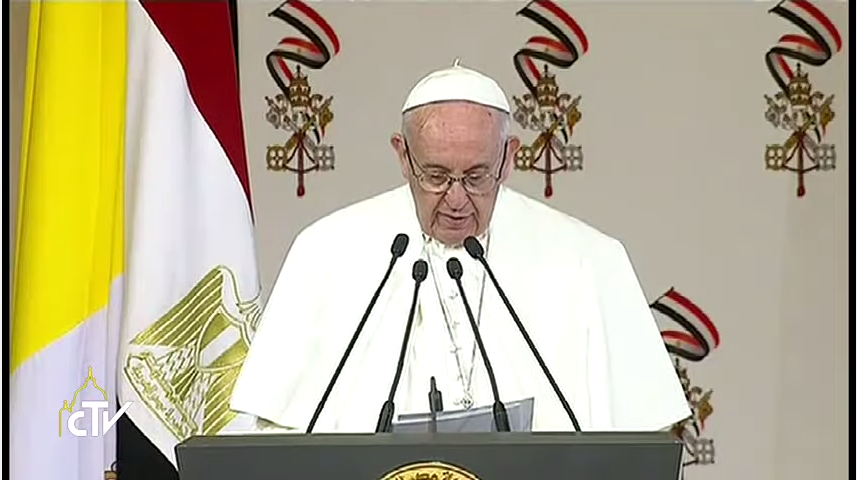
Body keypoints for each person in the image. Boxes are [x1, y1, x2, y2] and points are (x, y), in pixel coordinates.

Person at [229, 59, 690, 433]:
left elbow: (638, 440)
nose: (455, 199)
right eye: (435, 176)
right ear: (402, 155)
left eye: (476, 176)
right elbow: (280, 436)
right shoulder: (324, 253)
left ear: (509, 158)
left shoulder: (589, 260)